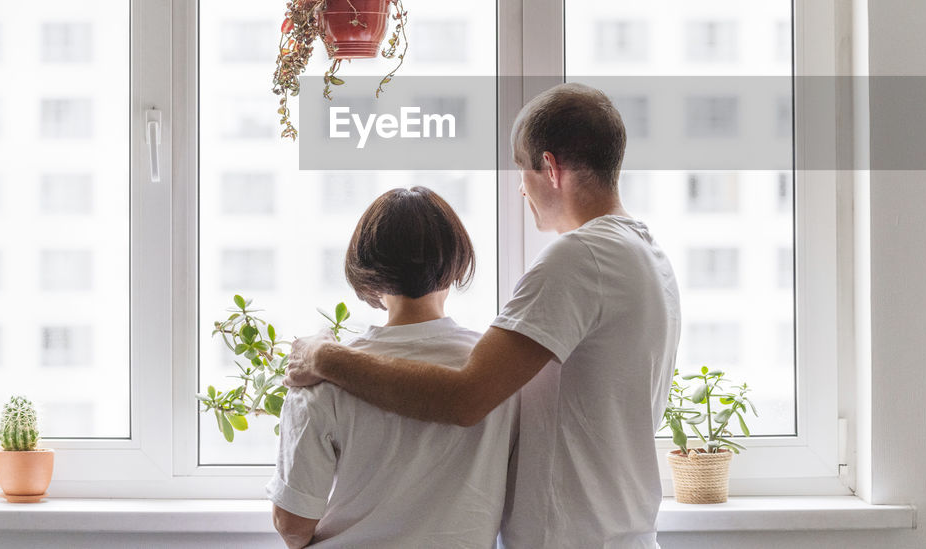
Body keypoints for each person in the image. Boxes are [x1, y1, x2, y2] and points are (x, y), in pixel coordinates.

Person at [286, 83, 682, 548]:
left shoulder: (580, 259)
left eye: (522, 169)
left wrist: (325, 359)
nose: (520, 187)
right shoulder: (647, 256)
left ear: (550, 168)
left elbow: (465, 398)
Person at [266, 186, 518, 548]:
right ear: (456, 260)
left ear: (368, 270)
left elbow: (292, 525)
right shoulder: (496, 371)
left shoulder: (317, 377)